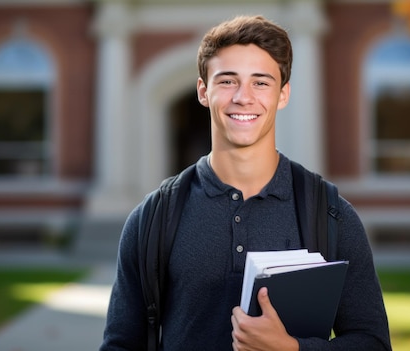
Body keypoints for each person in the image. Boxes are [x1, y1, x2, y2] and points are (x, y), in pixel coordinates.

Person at [100, 15, 392, 351]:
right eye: (227, 81)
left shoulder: (331, 215)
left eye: (261, 82)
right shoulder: (151, 219)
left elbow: (373, 344)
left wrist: (292, 349)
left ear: (283, 95)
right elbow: (120, 345)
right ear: (203, 91)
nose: (243, 97)